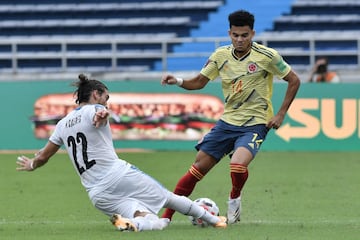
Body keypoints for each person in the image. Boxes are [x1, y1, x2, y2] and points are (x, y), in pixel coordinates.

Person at [16, 74, 227, 232]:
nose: (106, 102)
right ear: (95, 94)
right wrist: (103, 113)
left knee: (154, 221)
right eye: (105, 97)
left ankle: (132, 223)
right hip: (118, 176)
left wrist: (32, 164)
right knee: (169, 198)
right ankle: (215, 220)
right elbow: (101, 113)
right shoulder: (95, 110)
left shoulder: (62, 125)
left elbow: (43, 156)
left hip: (97, 194)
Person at [160, 10, 301, 224]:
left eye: (244, 35)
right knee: (197, 169)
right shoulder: (220, 56)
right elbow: (199, 82)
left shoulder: (268, 56)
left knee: (237, 165)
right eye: (235, 35)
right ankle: (166, 219)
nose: (240, 39)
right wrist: (178, 80)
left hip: (256, 123)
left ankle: (234, 198)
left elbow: (294, 80)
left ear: (252, 33)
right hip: (227, 122)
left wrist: (280, 114)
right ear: (229, 33)